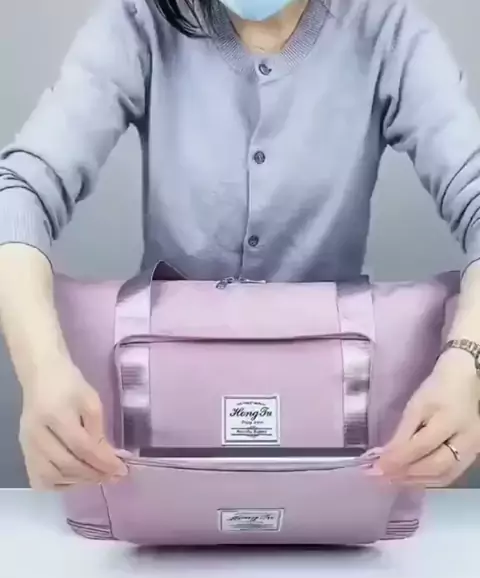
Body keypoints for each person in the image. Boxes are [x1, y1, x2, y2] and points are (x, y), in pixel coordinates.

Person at [0, 0, 479, 491]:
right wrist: (42, 371)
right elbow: (18, 192)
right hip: (166, 415)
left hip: (329, 418)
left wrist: (466, 363)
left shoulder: (388, 31)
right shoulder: (139, 24)